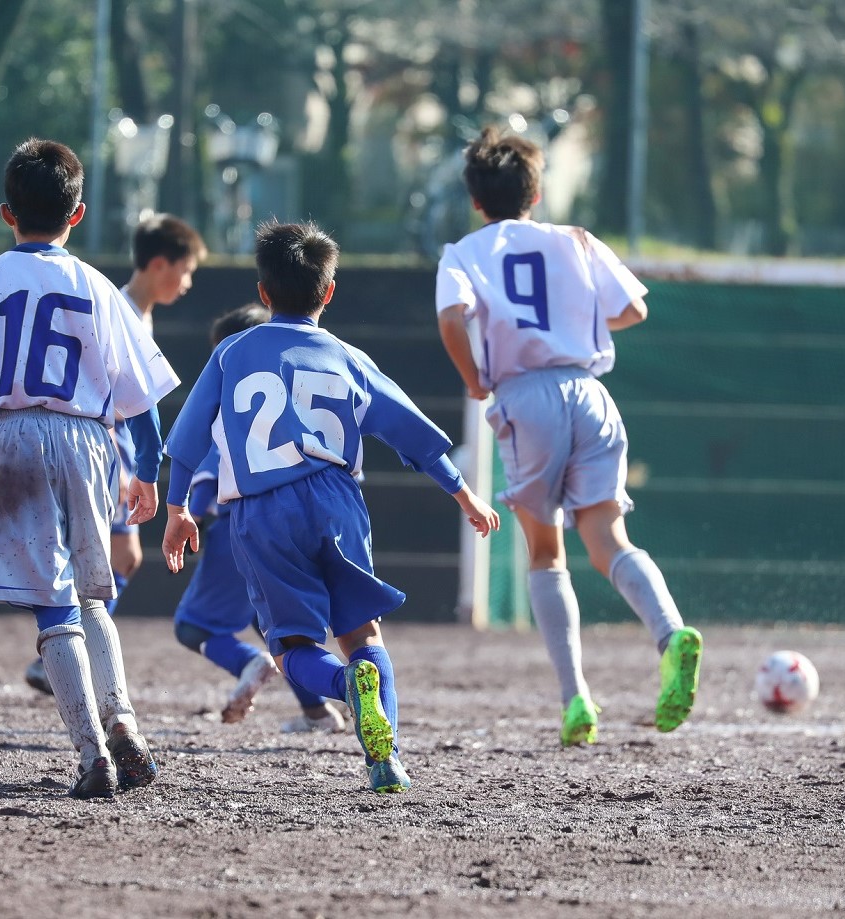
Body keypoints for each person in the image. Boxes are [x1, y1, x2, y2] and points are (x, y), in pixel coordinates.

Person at [162, 221, 500, 793]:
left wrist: (177, 511)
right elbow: (412, 434)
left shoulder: (231, 353)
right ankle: (384, 762)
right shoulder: (349, 358)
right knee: (364, 636)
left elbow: (191, 436)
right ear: (330, 291)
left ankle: (345, 688)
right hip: (339, 502)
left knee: (292, 646)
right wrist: (463, 492)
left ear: (264, 294)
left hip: (263, 510)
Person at [434, 126, 703, 747]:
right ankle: (670, 633)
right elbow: (634, 309)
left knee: (546, 554)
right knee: (610, 540)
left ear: (478, 200)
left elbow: (452, 317)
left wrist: (474, 379)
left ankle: (576, 699)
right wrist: (575, 322)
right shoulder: (578, 240)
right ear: (536, 192)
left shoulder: (465, 252)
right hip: (591, 393)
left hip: (526, 396)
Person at [0, 138, 180, 799]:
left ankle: (92, 753)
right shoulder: (100, 288)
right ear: (78, 214)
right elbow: (142, 398)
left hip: (9, 438)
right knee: (93, 595)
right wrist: (148, 471)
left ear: (6, 212)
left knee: (52, 604)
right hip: (88, 439)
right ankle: (122, 718)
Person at [24, 211, 208, 695]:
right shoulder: (120, 307)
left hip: (106, 450)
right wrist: (127, 467)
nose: (188, 283)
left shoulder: (134, 310)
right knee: (117, 556)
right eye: (186, 270)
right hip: (102, 449)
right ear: (160, 264)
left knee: (116, 558)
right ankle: (62, 650)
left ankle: (62, 650)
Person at [172, 302, 346, 732]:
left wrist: (187, 518)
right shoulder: (302, 396)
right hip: (304, 521)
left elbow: (209, 477)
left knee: (193, 626)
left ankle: (250, 663)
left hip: (242, 528)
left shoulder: (231, 411)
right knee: (281, 629)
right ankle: (319, 711)